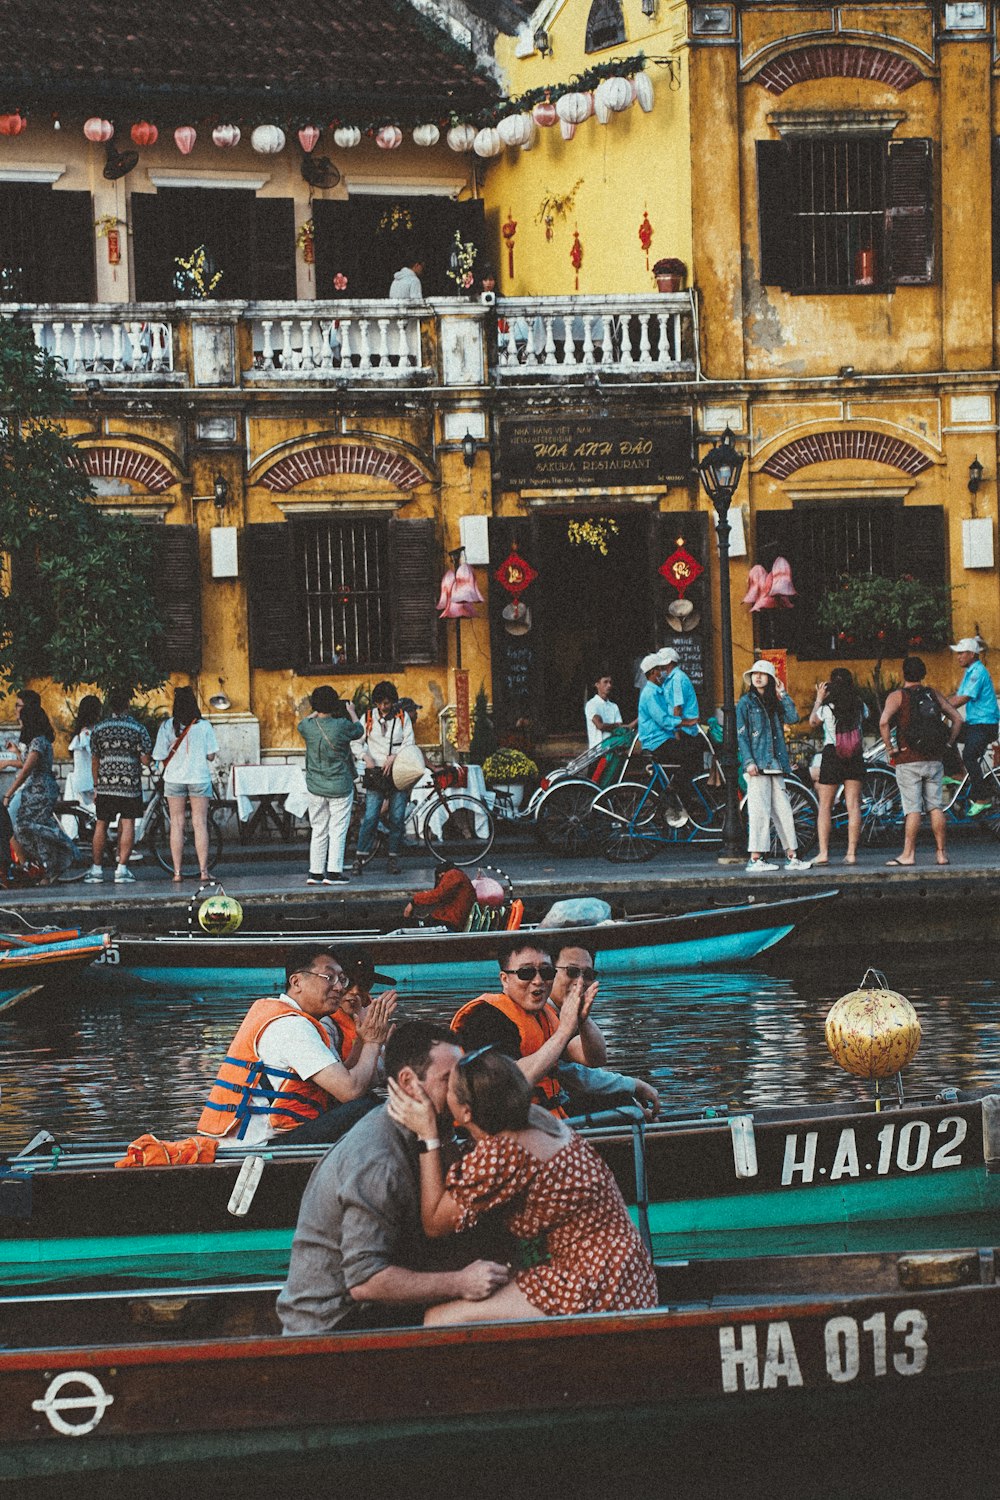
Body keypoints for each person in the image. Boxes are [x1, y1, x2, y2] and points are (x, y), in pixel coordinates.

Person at [386, 1047, 657, 1326]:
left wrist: (428, 1135)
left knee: (438, 1319)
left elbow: (434, 1221)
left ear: (465, 1111)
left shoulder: (507, 1152)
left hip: (598, 1283)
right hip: (627, 1270)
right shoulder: (537, 1117)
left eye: (449, 1089)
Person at [276, 1021, 511, 1334]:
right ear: (409, 1082)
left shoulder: (430, 1130)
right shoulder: (379, 1159)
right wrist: (462, 1282)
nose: (462, 1091)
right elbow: (365, 1281)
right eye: (449, 1080)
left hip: (373, 1307)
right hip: (336, 1325)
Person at [197, 946, 396, 1147]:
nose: (339, 987)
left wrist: (362, 1040)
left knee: (369, 1103)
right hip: (257, 1146)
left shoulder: (301, 1021)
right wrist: (373, 1041)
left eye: (341, 979)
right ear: (297, 981)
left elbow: (341, 1078)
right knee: (370, 1108)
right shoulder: (291, 1026)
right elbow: (350, 1091)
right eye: (329, 977)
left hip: (268, 1138)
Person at [450, 937, 658, 1118]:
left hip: (547, 1114)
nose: (538, 981)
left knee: (624, 1104)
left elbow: (594, 1060)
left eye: (546, 972)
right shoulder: (485, 1018)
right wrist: (565, 1031)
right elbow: (509, 1083)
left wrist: (582, 1020)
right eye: (526, 973)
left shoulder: (544, 1016)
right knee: (630, 1112)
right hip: (502, 1126)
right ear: (505, 980)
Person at [551, 943, 660, 1117]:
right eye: (571, 972)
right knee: (626, 1107)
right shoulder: (543, 1013)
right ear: (550, 972)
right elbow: (576, 1076)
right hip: (543, 1117)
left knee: (626, 1104)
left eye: (587, 975)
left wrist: (583, 1018)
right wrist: (632, 1086)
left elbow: (597, 1058)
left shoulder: (565, 1013)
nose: (580, 982)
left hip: (558, 1108)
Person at [880, 655, 963, 867]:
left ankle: (908, 854)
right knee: (935, 806)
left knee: (912, 809)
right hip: (934, 759)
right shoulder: (932, 694)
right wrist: (948, 744)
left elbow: (883, 722)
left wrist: (891, 749)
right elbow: (957, 718)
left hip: (908, 759)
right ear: (923, 674)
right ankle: (942, 854)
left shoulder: (898, 696)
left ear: (903, 673)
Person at [736, 659, 810, 873]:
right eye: (755, 674)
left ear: (770, 678)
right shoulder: (745, 703)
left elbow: (794, 718)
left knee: (783, 810)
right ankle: (755, 858)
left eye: (762, 674)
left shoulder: (774, 702)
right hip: (757, 765)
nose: (757, 677)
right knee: (759, 811)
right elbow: (742, 736)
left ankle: (792, 856)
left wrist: (783, 694)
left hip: (775, 763)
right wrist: (748, 762)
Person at [1, 694, 76, 884]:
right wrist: (16, 753)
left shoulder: (39, 742)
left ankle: (59, 855)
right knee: (26, 829)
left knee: (32, 828)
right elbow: (27, 763)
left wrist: (8, 793)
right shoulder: (36, 742)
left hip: (40, 791)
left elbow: (26, 770)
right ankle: (45, 865)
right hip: (33, 791)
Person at [85, 687, 152, 884]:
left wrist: (96, 785)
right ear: (128, 705)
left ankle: (96, 870)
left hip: (105, 785)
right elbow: (146, 759)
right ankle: (121, 869)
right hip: (129, 785)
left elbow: (95, 758)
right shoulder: (138, 728)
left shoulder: (99, 728)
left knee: (101, 824)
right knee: (128, 823)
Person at [152, 686, 219, 883]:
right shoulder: (205, 726)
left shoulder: (166, 726)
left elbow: (159, 755)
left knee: (177, 823)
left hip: (174, 779)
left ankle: (177, 873)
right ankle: (204, 872)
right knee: (200, 823)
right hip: (199, 778)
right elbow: (212, 755)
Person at [298, 685, 363, 886]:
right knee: (338, 829)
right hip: (339, 786)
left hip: (315, 786)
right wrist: (352, 712)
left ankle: (315, 872)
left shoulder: (307, 726)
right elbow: (359, 731)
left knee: (318, 829)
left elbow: (302, 723)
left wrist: (316, 711)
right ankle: (333, 872)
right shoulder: (342, 725)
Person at [353, 681, 415, 877]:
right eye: (379, 703)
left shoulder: (402, 717)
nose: (383, 707)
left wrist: (395, 755)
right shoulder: (368, 717)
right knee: (371, 816)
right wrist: (365, 757)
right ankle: (360, 857)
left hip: (398, 772)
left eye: (387, 703)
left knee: (397, 818)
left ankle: (393, 858)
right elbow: (356, 742)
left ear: (393, 702)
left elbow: (409, 742)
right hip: (376, 772)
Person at [809, 667, 866, 865]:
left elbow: (812, 722)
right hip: (855, 755)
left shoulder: (827, 707)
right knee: (853, 805)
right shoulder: (860, 705)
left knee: (825, 806)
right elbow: (865, 719)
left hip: (833, 753)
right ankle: (851, 853)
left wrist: (819, 698)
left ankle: (824, 853)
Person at [947, 637, 999, 814]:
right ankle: (958, 773)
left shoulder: (978, 672)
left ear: (971, 654)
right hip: (975, 724)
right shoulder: (969, 672)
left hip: (985, 725)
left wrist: (940, 706)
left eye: (961, 653)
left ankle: (983, 797)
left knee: (969, 755)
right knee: (944, 735)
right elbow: (955, 698)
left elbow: (963, 698)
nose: (958, 657)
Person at [403, 861, 476, 930]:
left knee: (406, 924)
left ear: (441, 873)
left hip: (447, 923)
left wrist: (414, 901)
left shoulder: (453, 874)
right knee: (409, 923)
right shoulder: (460, 878)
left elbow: (437, 895)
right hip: (447, 921)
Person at [65, 694, 102, 815]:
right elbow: (95, 756)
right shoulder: (87, 734)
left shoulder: (82, 732)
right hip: (89, 782)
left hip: (82, 781)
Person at [584, 672, 633, 750]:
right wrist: (616, 725)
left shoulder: (614, 706)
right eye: (605, 682)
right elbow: (600, 726)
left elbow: (619, 728)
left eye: (610, 682)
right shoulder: (591, 704)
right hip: (597, 752)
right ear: (597, 684)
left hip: (614, 750)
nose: (609, 685)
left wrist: (612, 726)